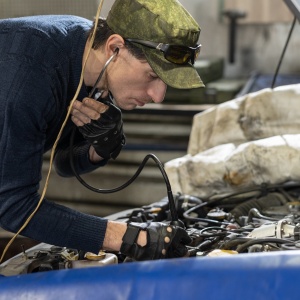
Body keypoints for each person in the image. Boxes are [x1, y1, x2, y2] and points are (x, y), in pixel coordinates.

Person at [0, 0, 204, 261]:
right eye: (152, 76)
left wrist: (100, 148)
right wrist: (131, 238)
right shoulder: (29, 75)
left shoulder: (89, 58)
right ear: (115, 47)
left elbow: (63, 162)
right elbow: (14, 207)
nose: (158, 96)